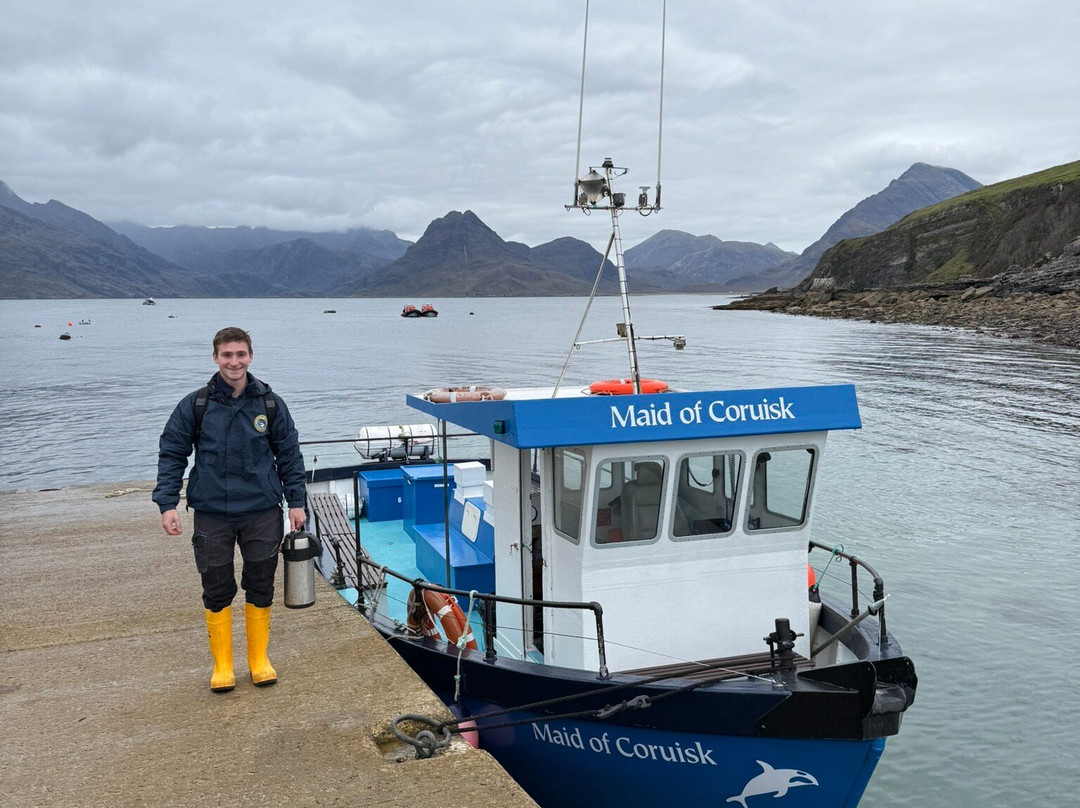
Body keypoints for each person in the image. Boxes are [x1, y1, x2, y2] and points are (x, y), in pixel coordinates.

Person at [153, 327, 306, 692]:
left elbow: (289, 455)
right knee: (217, 586)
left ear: (251, 356)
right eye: (227, 355)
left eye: (240, 354)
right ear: (216, 358)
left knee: (260, 583)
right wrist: (167, 502)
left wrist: (297, 502)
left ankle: (258, 660)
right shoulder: (196, 404)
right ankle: (223, 665)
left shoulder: (270, 404)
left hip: (262, 512)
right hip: (212, 513)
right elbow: (172, 452)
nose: (234, 362)